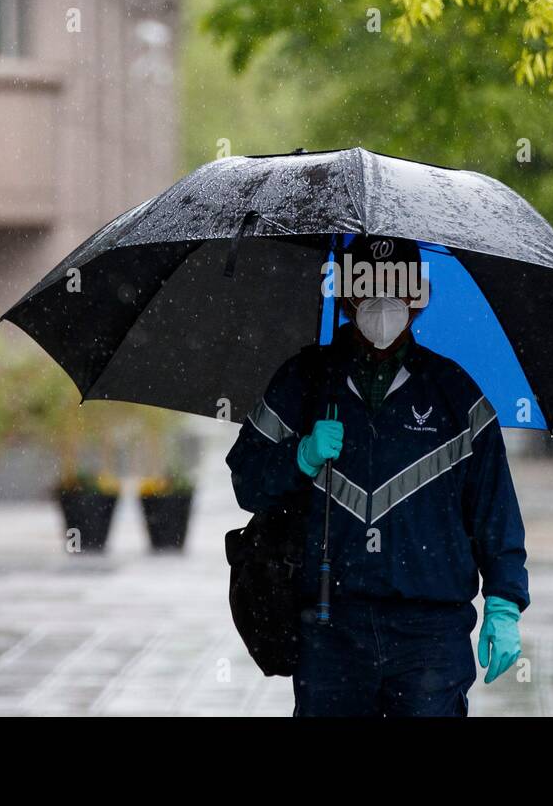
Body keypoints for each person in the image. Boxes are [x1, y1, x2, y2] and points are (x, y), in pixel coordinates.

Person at [226, 235, 529, 717]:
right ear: (345, 295)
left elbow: (495, 511)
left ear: (417, 298)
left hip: (431, 635)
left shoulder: (457, 395)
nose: (383, 305)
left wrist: (504, 602)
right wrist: (299, 457)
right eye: (368, 287)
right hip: (330, 629)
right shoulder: (304, 381)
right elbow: (246, 481)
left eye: (396, 288)